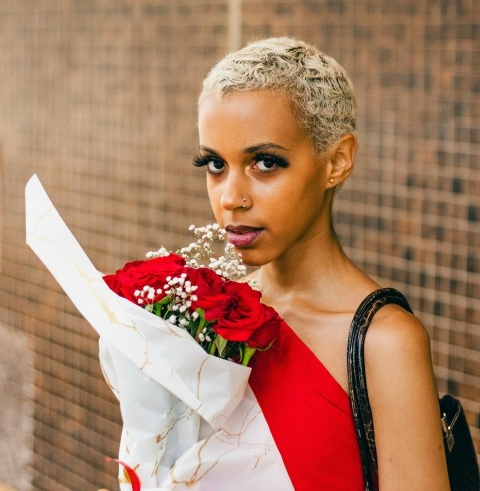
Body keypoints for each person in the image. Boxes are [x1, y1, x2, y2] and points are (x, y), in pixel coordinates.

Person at [100, 37, 450, 490]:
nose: (230, 198)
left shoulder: (385, 343)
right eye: (214, 164)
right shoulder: (207, 315)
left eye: (265, 163)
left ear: (337, 161)